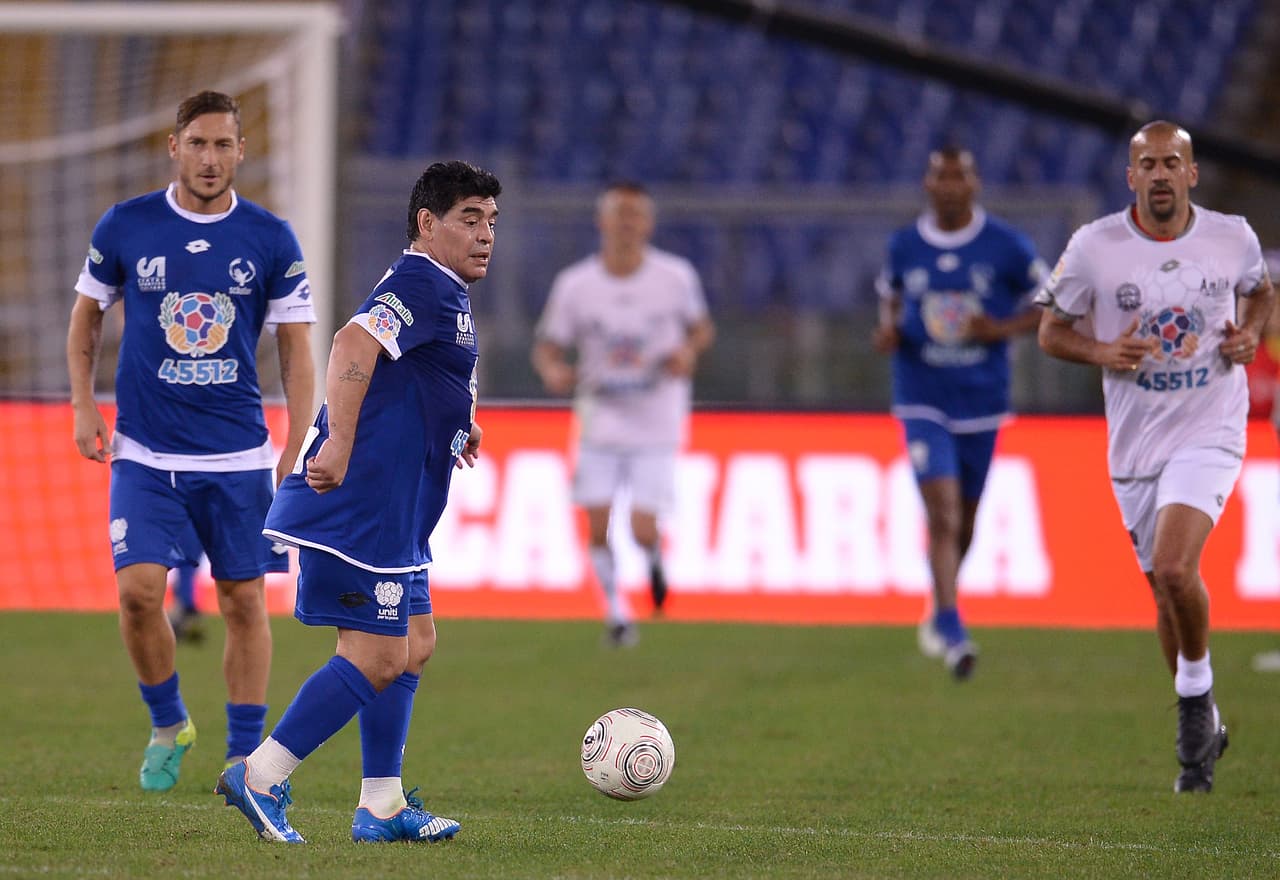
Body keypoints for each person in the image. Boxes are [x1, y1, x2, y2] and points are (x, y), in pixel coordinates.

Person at [215, 160, 500, 844]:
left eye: (492, 221)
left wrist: (458, 422)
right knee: (376, 655)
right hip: (357, 506)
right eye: (470, 219)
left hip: (395, 511)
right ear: (427, 224)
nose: (486, 234)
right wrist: (337, 441)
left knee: (414, 645)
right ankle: (260, 775)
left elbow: (417, 377)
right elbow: (353, 343)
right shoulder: (420, 281)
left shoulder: (444, 291)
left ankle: (380, 804)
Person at [66, 90, 317, 791]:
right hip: (144, 453)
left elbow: (297, 347)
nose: (211, 159)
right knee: (139, 594)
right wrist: (84, 405)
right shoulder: (128, 225)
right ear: (174, 146)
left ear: (242, 151)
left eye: (224, 145)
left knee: (242, 602)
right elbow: (86, 318)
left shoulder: (270, 237)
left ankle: (244, 759)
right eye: (198, 144)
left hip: (238, 456)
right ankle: (169, 720)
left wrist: (297, 438)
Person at [1037, 121, 1275, 792]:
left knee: (1175, 567)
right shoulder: (1095, 249)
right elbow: (1051, 331)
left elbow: (1261, 291)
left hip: (1211, 429)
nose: (1163, 174)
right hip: (1136, 444)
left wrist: (1250, 334)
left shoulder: (1232, 236)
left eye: (1175, 162)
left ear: (1193, 174)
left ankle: (1194, 705)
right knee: (1164, 593)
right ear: (1131, 177)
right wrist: (1103, 351)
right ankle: (1207, 719)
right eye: (1150, 164)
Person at [872, 147, 1046, 680]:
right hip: (922, 394)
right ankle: (952, 628)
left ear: (974, 184)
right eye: (939, 175)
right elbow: (891, 298)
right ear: (927, 184)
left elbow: (1050, 301)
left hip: (981, 398)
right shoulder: (904, 245)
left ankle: (939, 601)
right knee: (942, 512)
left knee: (965, 521)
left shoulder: (1006, 246)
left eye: (959, 176)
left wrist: (1001, 329)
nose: (949, 185)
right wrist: (889, 331)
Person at [531, 182, 714, 647]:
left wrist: (688, 354)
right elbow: (548, 346)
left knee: (642, 527)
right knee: (596, 522)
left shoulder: (675, 277)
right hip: (601, 416)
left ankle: (653, 561)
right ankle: (616, 614)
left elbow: (701, 329)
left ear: (648, 224)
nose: (628, 223)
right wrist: (553, 370)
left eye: (636, 215)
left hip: (656, 416)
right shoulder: (576, 285)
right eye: (620, 214)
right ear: (603, 222)